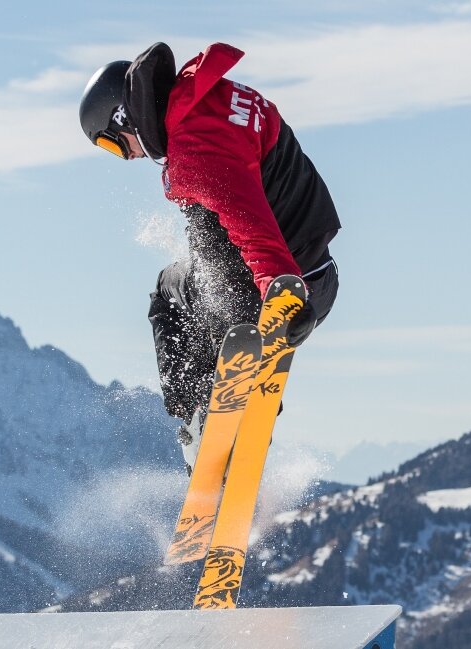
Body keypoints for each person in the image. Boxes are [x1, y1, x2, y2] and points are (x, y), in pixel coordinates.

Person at [78, 42, 341, 466]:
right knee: (188, 270)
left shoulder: (194, 151)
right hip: (318, 280)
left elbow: (249, 222)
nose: (128, 157)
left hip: (265, 303)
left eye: (114, 145)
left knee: (167, 292)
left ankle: (201, 417)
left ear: (123, 116)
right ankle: (224, 410)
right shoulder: (218, 97)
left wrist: (281, 291)